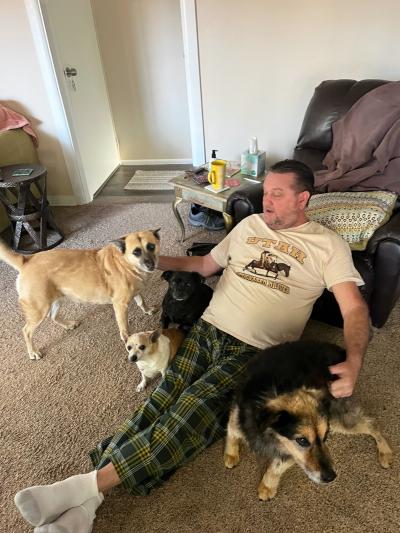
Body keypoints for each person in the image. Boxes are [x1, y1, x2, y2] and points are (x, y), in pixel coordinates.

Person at [14, 159, 369, 532]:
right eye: (266, 193)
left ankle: (80, 487)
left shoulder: (327, 246)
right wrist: (146, 260)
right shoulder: (249, 226)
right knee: (159, 403)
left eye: (277, 195)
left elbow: (355, 308)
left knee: (189, 413)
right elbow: (202, 265)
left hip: (256, 354)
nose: (267, 201)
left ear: (303, 198)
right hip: (208, 330)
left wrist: (356, 361)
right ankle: (84, 509)